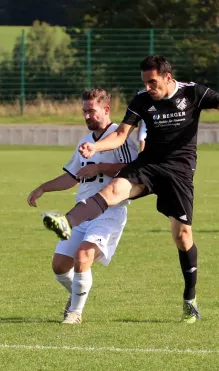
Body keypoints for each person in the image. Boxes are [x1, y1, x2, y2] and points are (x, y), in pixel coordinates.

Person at [41, 55, 219, 324]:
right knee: (113, 191)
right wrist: (95, 147)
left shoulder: (194, 93)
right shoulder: (142, 99)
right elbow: (121, 134)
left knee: (182, 237)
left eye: (152, 82)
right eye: (145, 82)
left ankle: (189, 299)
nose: (148, 87)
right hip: (148, 166)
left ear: (168, 77)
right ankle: (67, 221)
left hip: (178, 172)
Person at [27, 88, 138, 325]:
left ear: (106, 109)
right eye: (84, 111)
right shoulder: (85, 141)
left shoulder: (120, 137)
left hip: (110, 212)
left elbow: (134, 171)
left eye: (91, 111)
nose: (87, 116)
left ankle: (74, 313)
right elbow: (72, 177)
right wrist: (43, 188)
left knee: (83, 255)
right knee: (59, 266)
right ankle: (78, 294)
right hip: (83, 211)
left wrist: (99, 168)